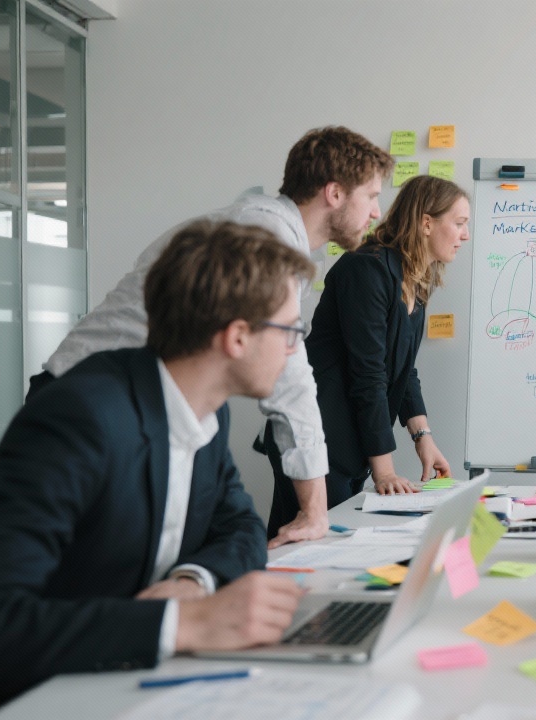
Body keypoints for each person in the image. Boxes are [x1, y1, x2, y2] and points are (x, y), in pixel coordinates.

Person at [0, 221, 313, 720]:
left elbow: (241, 528)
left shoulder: (204, 409)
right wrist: (181, 624)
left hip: (124, 685)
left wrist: (194, 582)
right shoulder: (84, 416)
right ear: (236, 337)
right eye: (291, 330)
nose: (296, 347)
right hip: (29, 699)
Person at [29, 126, 394, 550]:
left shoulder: (273, 235)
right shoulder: (264, 239)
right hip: (91, 404)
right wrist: (313, 512)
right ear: (334, 192)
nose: (377, 212)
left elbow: (237, 532)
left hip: (148, 403)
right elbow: (292, 384)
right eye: (371, 196)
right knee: (100, 563)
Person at [267, 175, 469, 532]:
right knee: (305, 552)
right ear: (426, 223)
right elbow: (369, 373)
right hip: (316, 436)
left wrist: (423, 437)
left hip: (349, 440)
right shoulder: (367, 270)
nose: (464, 235)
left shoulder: (413, 279)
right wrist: (385, 470)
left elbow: (403, 369)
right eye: (459, 223)